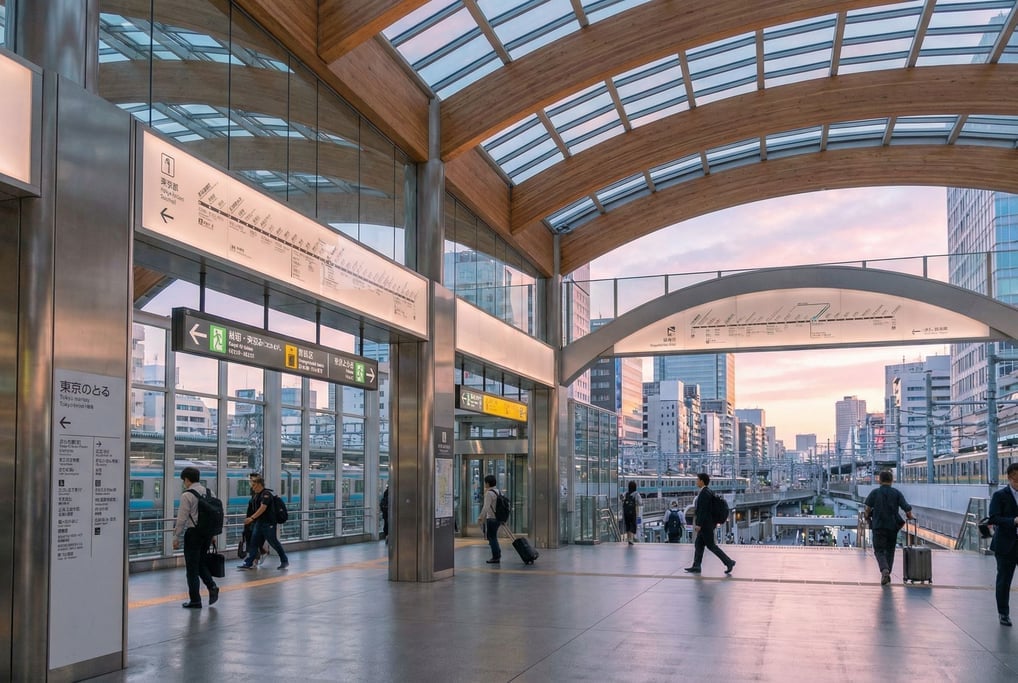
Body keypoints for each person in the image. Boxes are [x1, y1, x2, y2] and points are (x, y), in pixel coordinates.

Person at [172, 466, 219, 609]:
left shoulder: (187, 495)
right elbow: (214, 516)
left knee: (192, 569)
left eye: (183, 481)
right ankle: (212, 586)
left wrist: (176, 536)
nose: (183, 483)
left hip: (193, 534)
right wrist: (213, 534)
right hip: (207, 534)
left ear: (186, 479)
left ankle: (195, 600)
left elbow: (182, 518)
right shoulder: (210, 492)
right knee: (200, 563)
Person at [864, 470, 914, 585]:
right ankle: (887, 572)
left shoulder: (875, 493)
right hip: (892, 527)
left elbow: (867, 509)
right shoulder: (896, 493)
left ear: (879, 480)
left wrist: (867, 516)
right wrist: (910, 516)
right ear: (891, 481)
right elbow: (907, 509)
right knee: (890, 551)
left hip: (878, 526)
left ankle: (884, 570)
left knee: (879, 550)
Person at [685, 473, 736, 575]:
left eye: (697, 479)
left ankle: (729, 562)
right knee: (698, 544)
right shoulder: (708, 491)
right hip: (708, 524)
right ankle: (696, 566)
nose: (696, 481)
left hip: (705, 525)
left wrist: (699, 524)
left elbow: (703, 511)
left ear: (702, 481)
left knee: (711, 546)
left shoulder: (704, 493)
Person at [238, 474, 289, 570]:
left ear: (259, 484)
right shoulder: (256, 495)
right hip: (259, 523)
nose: (252, 488)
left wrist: (251, 518)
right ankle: (248, 563)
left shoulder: (266, 494)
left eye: (254, 485)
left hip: (268, 524)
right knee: (253, 543)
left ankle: (284, 560)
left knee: (274, 542)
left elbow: (263, 508)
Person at [989, 462, 1018, 626]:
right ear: (1010, 478)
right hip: (1006, 545)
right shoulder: (1000, 496)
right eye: (1017, 480)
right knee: (1004, 581)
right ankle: (1003, 613)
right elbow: (993, 517)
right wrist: (1012, 521)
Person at [244, 471, 269, 566]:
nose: (251, 482)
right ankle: (255, 557)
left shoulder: (262, 493)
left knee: (254, 540)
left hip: (256, 520)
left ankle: (254, 558)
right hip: (251, 518)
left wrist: (252, 518)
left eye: (253, 480)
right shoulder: (254, 492)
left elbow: (262, 507)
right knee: (251, 539)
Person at [477, 474, 501, 565]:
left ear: (487, 483)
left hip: (491, 519)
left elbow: (486, 507)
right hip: (498, 518)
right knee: (493, 537)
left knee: (492, 538)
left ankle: (496, 557)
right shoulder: (498, 491)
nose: (485, 484)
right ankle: (497, 554)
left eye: (485, 483)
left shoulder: (489, 493)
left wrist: (480, 517)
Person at [622, 480, 642, 545]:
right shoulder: (636, 494)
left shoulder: (625, 493)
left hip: (625, 512)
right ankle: (631, 539)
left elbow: (621, 498)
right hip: (633, 512)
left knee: (627, 525)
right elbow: (640, 502)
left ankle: (628, 538)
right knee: (633, 525)